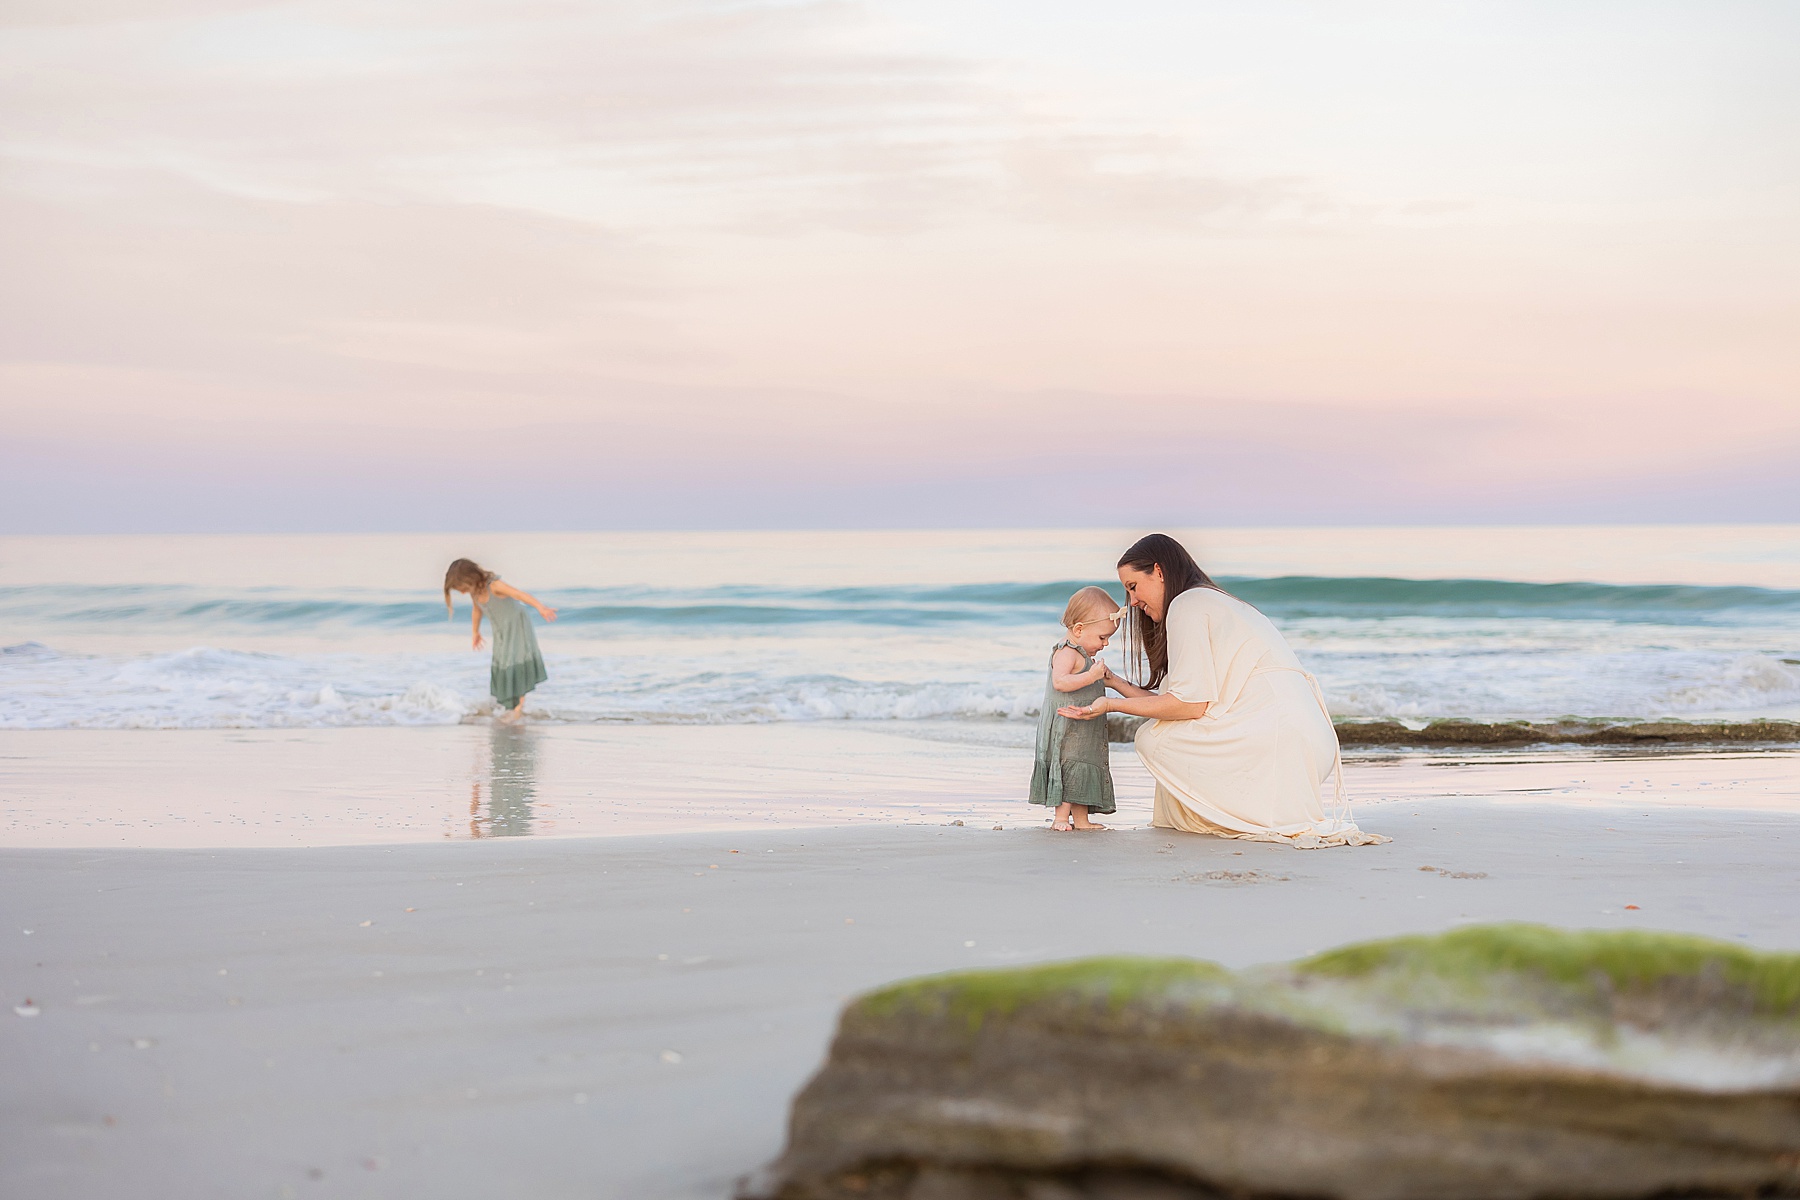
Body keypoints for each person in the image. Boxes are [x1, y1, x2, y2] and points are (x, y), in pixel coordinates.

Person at [1057, 534, 1388, 848]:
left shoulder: (1186, 604)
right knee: (1161, 728)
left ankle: (1237, 815)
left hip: (1279, 741)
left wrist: (1112, 705)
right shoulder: (1212, 600)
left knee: (1151, 738)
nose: (1133, 601)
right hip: (1309, 742)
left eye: (1133, 587)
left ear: (1158, 572)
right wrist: (1115, 683)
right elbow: (1177, 703)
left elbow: (1190, 706)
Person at [1029, 585, 1136, 831]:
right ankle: (1060, 818)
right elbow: (1061, 681)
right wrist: (1091, 676)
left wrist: (1102, 676)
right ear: (1078, 629)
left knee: (1083, 766)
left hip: (1083, 725)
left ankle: (1081, 819)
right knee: (1069, 765)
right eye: (1102, 637)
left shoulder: (1081, 652)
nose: (1106, 643)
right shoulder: (1066, 651)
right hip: (1067, 725)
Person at [443, 558, 556, 724]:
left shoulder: (494, 585)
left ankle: (517, 709)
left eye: (462, 588)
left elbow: (519, 595)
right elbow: (477, 610)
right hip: (501, 630)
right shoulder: (475, 592)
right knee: (502, 663)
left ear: (470, 579)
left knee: (516, 661)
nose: (461, 592)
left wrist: (540, 607)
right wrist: (475, 632)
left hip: (517, 625)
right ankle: (510, 706)